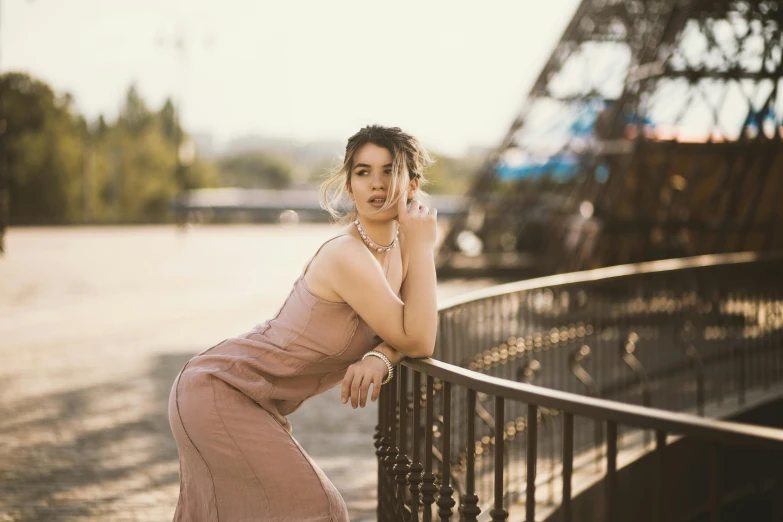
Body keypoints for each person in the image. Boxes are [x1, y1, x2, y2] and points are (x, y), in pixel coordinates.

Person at [168, 124, 439, 521]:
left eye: (389, 171)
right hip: (218, 390)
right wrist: (426, 247)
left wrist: (381, 355)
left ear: (412, 185)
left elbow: (417, 328)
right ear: (349, 185)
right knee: (322, 510)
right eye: (363, 172)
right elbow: (419, 339)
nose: (376, 184)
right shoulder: (347, 255)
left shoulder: (400, 248)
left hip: (255, 402)